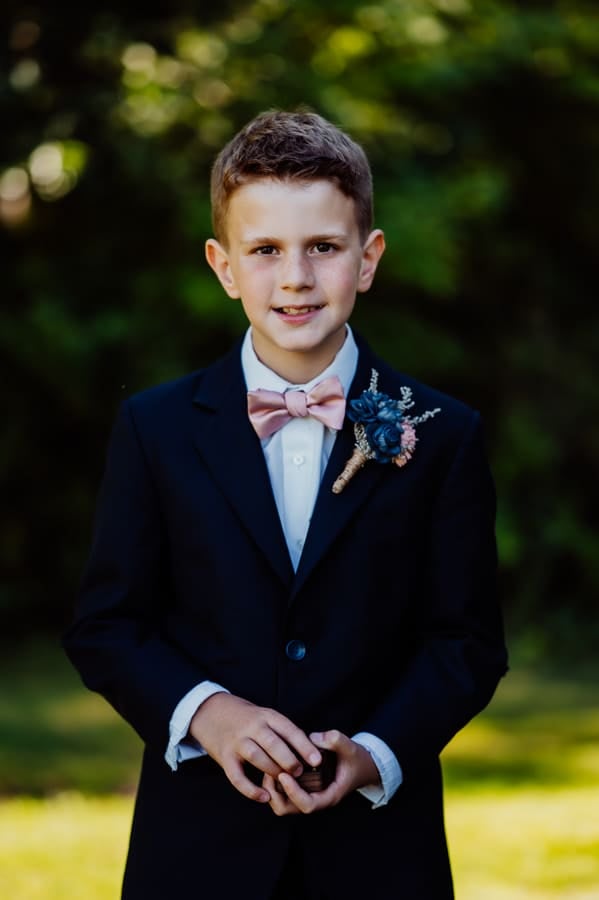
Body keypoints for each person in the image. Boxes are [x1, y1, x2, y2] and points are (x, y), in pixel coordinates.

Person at [63, 110, 508, 899]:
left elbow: (464, 643)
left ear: (366, 260)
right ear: (223, 265)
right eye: (264, 250)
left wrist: (375, 749)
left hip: (376, 853)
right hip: (197, 850)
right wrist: (208, 714)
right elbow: (108, 625)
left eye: (323, 248)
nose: (295, 278)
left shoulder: (440, 433)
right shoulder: (155, 429)